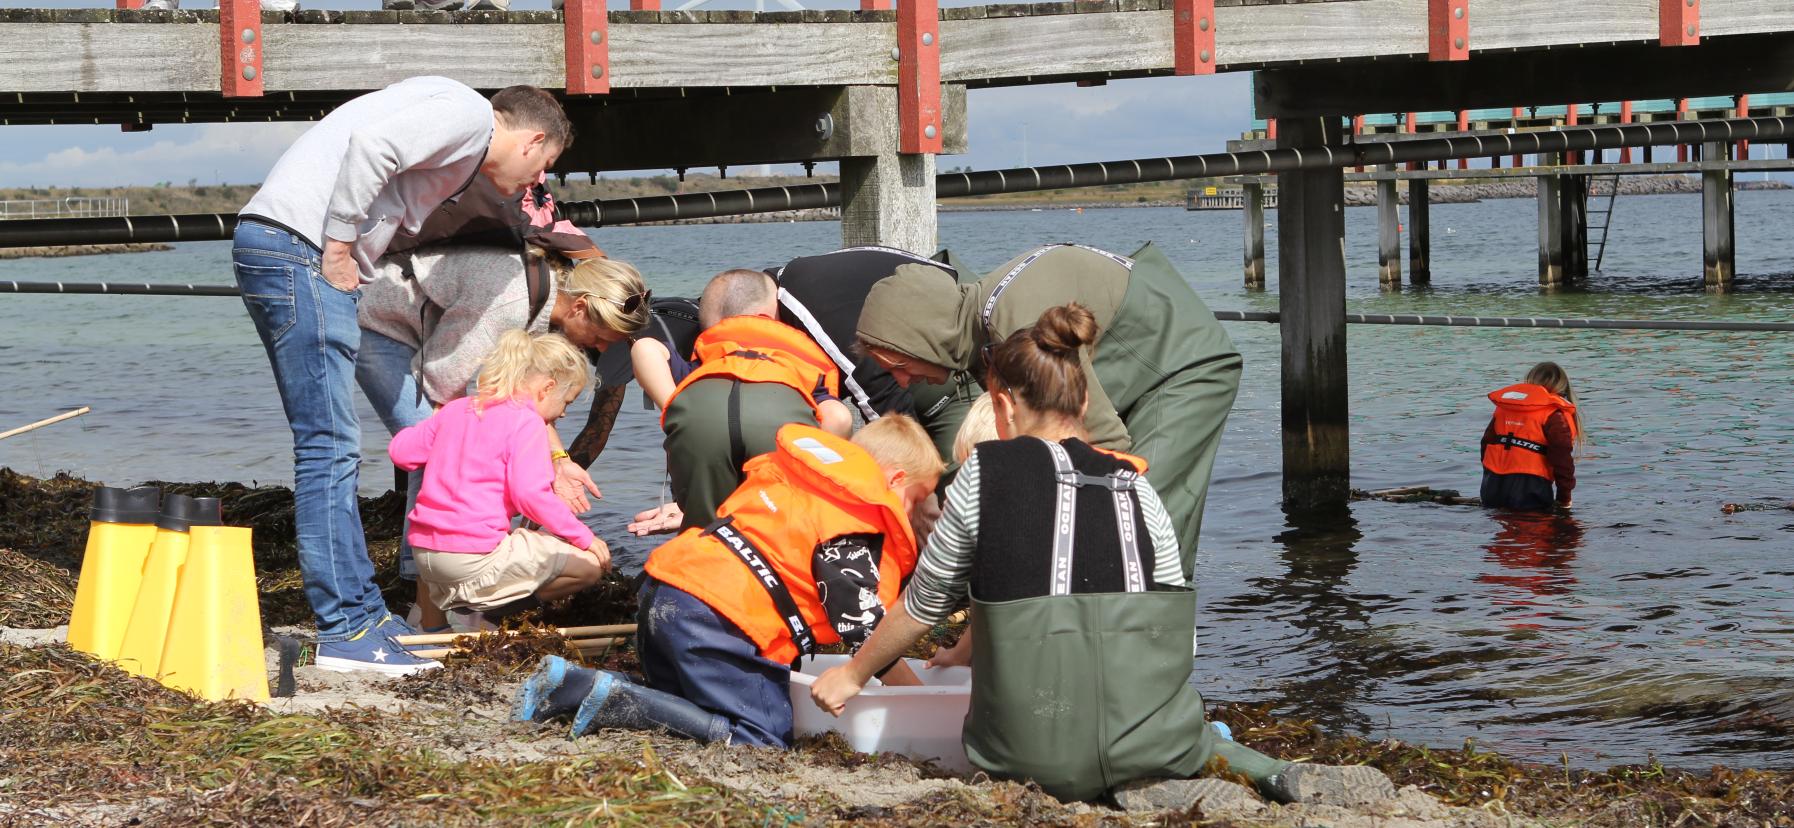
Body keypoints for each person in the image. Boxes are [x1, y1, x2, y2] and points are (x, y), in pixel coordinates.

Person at [811, 304, 1343, 805]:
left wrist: (853, 675)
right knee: (1187, 736)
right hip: (1151, 735)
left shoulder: (983, 472)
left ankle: (1117, 772)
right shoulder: (1135, 485)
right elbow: (1183, 634)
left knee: (1046, 747)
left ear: (1003, 405)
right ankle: (1247, 768)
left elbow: (925, 604)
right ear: (1085, 404)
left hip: (1029, 755)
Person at [233, 78, 569, 673]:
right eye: (544, 164)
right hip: (301, 251)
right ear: (534, 139)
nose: (535, 181)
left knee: (333, 448)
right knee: (329, 448)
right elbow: (372, 145)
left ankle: (363, 614)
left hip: (289, 247)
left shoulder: (455, 125)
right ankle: (346, 628)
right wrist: (339, 247)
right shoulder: (469, 115)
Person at [511, 416, 943, 747]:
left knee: (692, 707)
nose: (910, 514)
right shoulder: (852, 523)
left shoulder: (802, 487)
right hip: (711, 619)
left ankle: (578, 686)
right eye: (917, 501)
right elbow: (867, 633)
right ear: (894, 480)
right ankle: (604, 695)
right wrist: (923, 698)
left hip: (664, 590)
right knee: (762, 739)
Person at [855, 243, 1240, 582]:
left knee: (1137, 524)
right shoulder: (979, 336)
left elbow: (1106, 446)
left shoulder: (1015, 327)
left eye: (898, 366)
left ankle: (1149, 641)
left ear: (925, 336)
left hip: (1183, 367)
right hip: (1125, 374)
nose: (902, 383)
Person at [359, 251, 651, 630]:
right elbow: (445, 375)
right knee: (437, 466)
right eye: (599, 338)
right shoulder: (512, 306)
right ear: (580, 307)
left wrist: (558, 459)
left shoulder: (537, 323)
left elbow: (518, 402)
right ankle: (451, 615)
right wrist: (458, 428)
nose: (601, 349)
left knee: (443, 463)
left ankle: (437, 607)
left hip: (430, 543)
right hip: (384, 327)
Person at [387, 330, 612, 637]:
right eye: (567, 401)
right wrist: (584, 537)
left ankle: (436, 626)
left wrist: (435, 420)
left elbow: (401, 453)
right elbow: (529, 495)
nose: (563, 412)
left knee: (448, 527)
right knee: (589, 566)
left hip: (425, 559)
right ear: (547, 388)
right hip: (470, 561)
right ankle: (480, 612)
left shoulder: (458, 408)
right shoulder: (527, 421)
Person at [657, 269, 853, 532]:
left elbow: (645, 348)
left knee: (704, 531)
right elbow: (838, 417)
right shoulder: (800, 355)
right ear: (767, 317)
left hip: (699, 419)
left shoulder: (708, 355)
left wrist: (675, 404)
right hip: (781, 422)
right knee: (781, 524)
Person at [773, 246, 974, 461]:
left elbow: (887, 405)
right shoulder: (811, 271)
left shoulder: (809, 308)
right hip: (959, 300)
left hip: (954, 359)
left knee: (957, 471)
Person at [1480, 361, 1582, 511]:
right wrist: (1564, 498)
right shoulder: (1554, 414)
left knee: (1503, 531)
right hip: (1530, 488)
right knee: (1545, 532)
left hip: (1492, 485)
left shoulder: (1504, 409)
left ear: (1530, 380)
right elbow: (1562, 460)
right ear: (1563, 387)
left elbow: (1486, 445)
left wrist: (1493, 477)